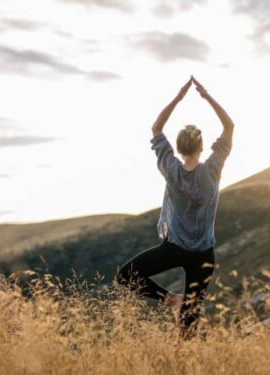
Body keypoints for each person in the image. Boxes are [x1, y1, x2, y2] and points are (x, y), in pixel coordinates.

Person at [115, 76, 234, 339]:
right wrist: (207, 96)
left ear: (178, 148)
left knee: (125, 275)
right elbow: (229, 125)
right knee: (188, 330)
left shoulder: (171, 169)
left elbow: (156, 127)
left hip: (174, 249)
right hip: (204, 254)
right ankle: (184, 358)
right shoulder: (213, 169)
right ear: (203, 147)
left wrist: (179, 97)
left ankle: (170, 299)